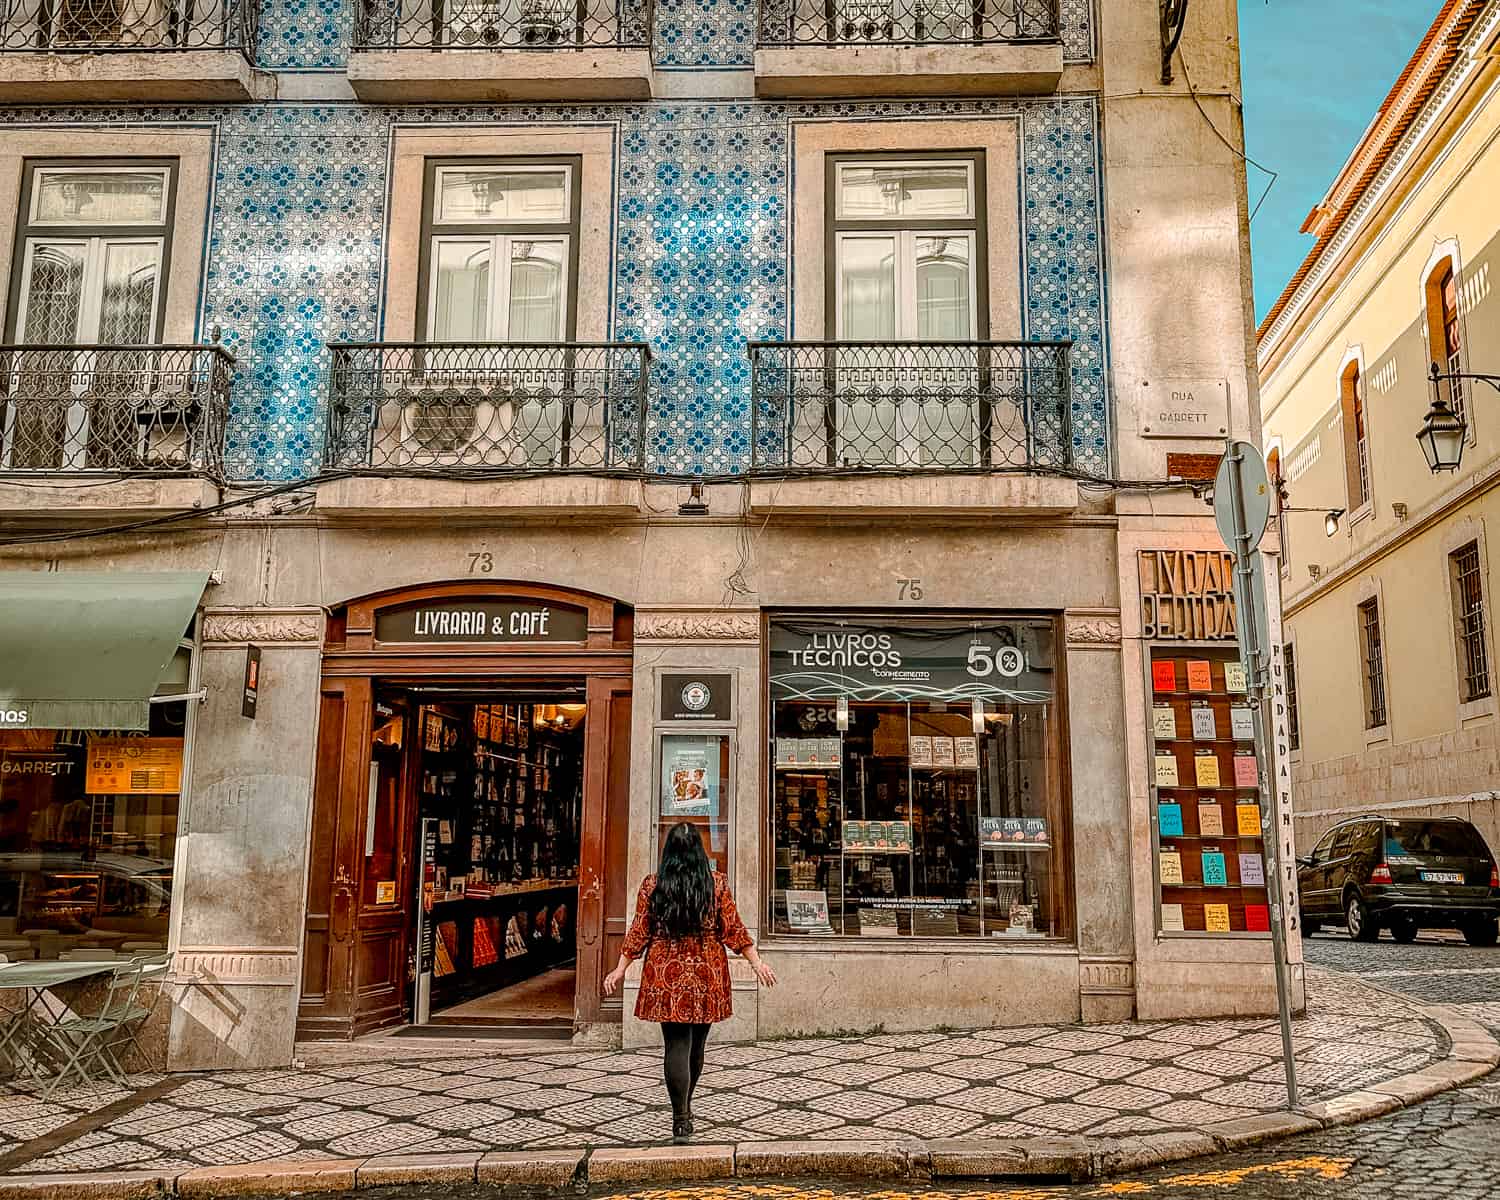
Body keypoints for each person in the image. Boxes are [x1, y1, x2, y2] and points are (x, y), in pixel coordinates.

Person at [603, 822, 777, 1143]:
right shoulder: (716, 884)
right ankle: (685, 1110)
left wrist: (619, 968)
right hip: (706, 971)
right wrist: (757, 963)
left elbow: (639, 932)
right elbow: (733, 930)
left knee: (675, 1045)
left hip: (664, 972)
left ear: (668, 851)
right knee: (696, 1046)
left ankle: (681, 1117)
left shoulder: (653, 886)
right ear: (700, 850)